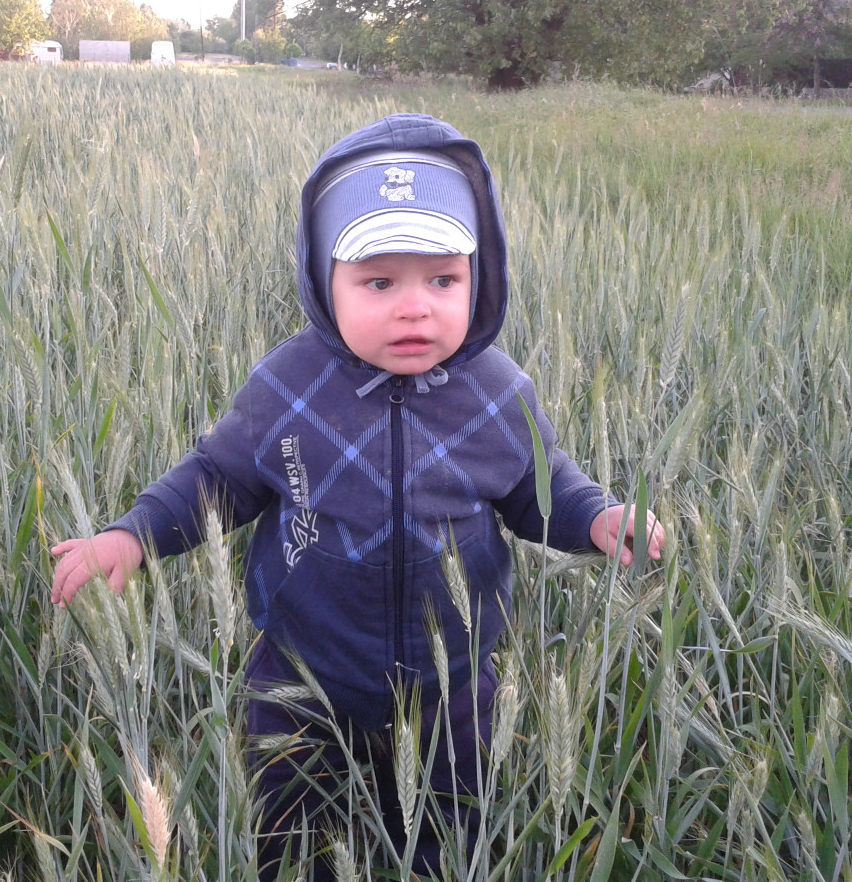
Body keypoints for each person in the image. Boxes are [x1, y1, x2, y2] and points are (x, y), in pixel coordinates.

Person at [50, 113, 665, 878]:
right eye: (379, 282)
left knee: (452, 821)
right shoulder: (288, 386)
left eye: (443, 279)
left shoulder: (498, 394)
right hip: (302, 670)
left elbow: (538, 488)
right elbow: (216, 478)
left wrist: (597, 517)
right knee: (286, 823)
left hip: (452, 676)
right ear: (323, 280)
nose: (415, 306)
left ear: (480, 276)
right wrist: (134, 534)